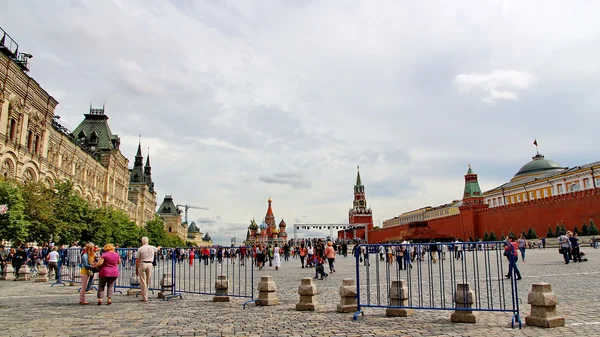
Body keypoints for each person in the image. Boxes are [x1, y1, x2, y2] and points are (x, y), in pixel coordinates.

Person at [135, 237, 157, 302]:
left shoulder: (140, 249)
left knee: (142, 281)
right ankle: (146, 294)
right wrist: (159, 247)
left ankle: (144, 297)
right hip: (150, 264)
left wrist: (136, 269)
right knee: (147, 280)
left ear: (142, 242)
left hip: (142, 264)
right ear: (148, 241)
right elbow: (157, 249)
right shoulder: (152, 247)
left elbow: (137, 260)